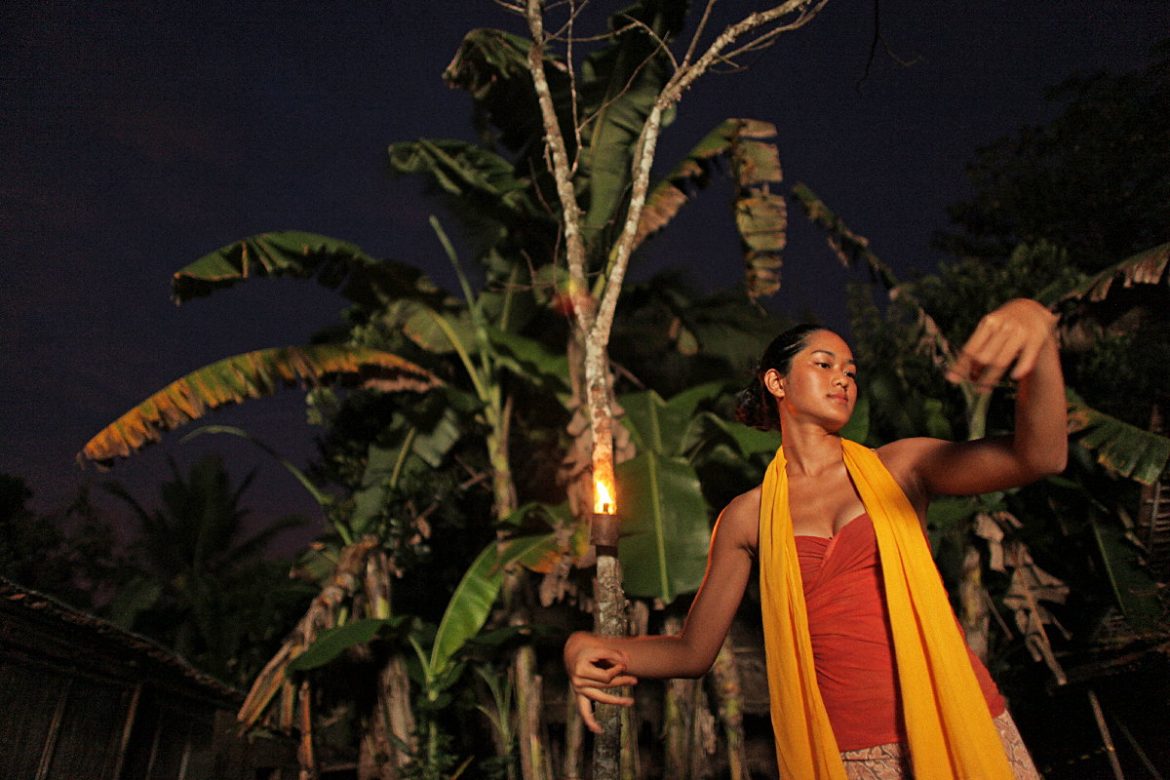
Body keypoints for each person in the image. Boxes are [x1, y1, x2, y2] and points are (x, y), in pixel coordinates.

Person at [564, 298, 1066, 779]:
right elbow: (693, 652)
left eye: (850, 371)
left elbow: (1039, 457)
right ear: (777, 382)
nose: (843, 379)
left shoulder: (901, 467)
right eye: (824, 364)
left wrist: (1038, 334)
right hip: (847, 751)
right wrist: (590, 645)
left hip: (955, 717)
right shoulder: (747, 516)